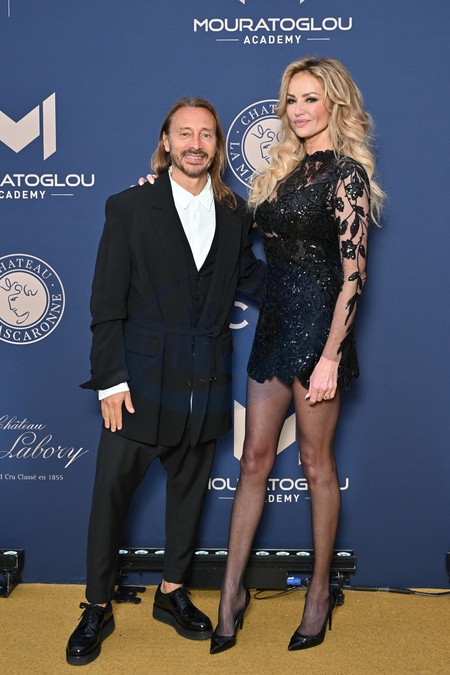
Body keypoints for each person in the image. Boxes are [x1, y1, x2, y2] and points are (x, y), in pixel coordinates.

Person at [65, 96, 265, 666]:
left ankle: (172, 591)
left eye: (206, 134)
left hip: (206, 383)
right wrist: (110, 380)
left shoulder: (236, 213)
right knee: (110, 498)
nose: (195, 144)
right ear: (166, 142)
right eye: (185, 133)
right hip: (139, 386)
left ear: (217, 146)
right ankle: (96, 605)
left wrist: (317, 282)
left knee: (189, 495)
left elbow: (249, 277)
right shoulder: (129, 207)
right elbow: (106, 302)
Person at [210, 56, 384, 654]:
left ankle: (317, 593)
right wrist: (169, 187)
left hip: (320, 336)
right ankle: (230, 593)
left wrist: (332, 356)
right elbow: (231, 229)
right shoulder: (281, 173)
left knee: (316, 465)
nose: (299, 109)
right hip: (274, 328)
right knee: (253, 460)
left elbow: (354, 276)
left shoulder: (347, 176)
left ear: (335, 103)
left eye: (311, 98)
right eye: (292, 99)